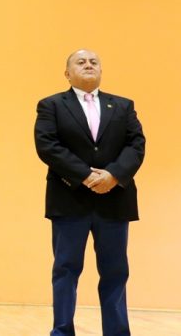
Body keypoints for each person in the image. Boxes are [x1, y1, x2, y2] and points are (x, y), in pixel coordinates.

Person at [34, 49, 145, 336]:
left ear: (101, 70)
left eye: (93, 62)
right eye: (80, 62)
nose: (88, 65)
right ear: (67, 73)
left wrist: (114, 175)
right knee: (66, 271)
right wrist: (85, 175)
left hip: (114, 201)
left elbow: (136, 145)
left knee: (115, 272)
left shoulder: (122, 106)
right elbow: (48, 146)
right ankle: (62, 331)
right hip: (69, 201)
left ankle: (118, 332)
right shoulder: (51, 105)